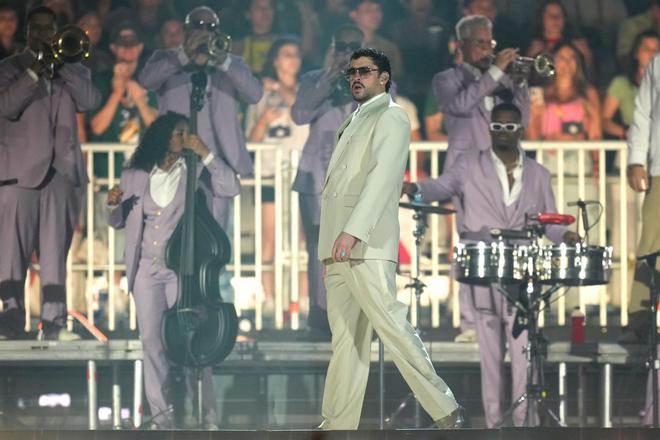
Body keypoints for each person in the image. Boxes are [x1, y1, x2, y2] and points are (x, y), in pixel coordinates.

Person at [403, 102, 579, 427]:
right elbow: (441, 186)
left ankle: (525, 424)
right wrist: (415, 188)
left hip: (523, 269)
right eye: (497, 126)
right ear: (490, 128)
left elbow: (549, 223)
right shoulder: (468, 164)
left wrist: (566, 236)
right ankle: (495, 424)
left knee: (524, 349)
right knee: (490, 354)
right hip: (483, 268)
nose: (503, 132)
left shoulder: (538, 174)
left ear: (521, 130)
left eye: (510, 127)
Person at [317, 47, 462, 430]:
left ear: (384, 78)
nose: (356, 77)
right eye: (351, 72)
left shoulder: (392, 116)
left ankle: (445, 407)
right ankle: (337, 424)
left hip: (363, 243)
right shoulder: (354, 118)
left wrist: (351, 232)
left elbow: (382, 179)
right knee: (346, 340)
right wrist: (330, 245)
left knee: (392, 326)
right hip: (339, 245)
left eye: (364, 71)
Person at [106, 112, 240, 429]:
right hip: (145, 270)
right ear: (163, 136)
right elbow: (118, 222)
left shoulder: (194, 170)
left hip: (181, 269)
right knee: (152, 342)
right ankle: (161, 417)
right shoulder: (134, 174)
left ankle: (207, 415)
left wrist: (206, 153)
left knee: (191, 338)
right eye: (180, 132)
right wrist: (111, 205)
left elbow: (231, 186)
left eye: (187, 133)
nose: (185, 137)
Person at [0, 6, 101, 340]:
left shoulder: (73, 67)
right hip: (18, 174)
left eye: (49, 28)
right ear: (26, 33)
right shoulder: (9, 68)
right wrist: (34, 72)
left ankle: (54, 323)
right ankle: (11, 320)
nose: (43, 33)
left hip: (62, 173)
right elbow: (5, 106)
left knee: (56, 252)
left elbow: (90, 101)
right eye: (37, 28)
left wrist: (64, 66)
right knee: (12, 254)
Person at [432, 13, 529, 342]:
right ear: (461, 45)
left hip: (504, 168)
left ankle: (508, 319)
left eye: (490, 42)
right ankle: (470, 324)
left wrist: (519, 83)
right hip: (467, 171)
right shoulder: (447, 78)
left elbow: (524, 120)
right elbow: (461, 105)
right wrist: (496, 72)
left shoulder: (503, 81)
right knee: (472, 245)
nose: (488, 49)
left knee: (511, 243)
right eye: (481, 43)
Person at [139, 5, 262, 229]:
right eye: (198, 25)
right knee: (173, 228)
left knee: (215, 230)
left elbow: (255, 94)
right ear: (185, 30)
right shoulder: (166, 59)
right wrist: (184, 55)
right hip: (176, 158)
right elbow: (147, 81)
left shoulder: (231, 64)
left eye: (211, 27)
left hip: (217, 161)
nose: (205, 31)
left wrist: (224, 61)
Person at [291, 24, 364, 333]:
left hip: (357, 176)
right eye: (341, 46)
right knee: (319, 246)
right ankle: (320, 312)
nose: (347, 52)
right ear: (332, 48)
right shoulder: (313, 79)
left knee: (357, 245)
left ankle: (354, 312)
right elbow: (299, 114)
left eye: (353, 45)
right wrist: (331, 78)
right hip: (317, 177)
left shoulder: (378, 80)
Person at [245, 35, 309, 310]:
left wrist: (282, 89)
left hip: (301, 171)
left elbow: (303, 113)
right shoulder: (259, 94)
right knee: (268, 237)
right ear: (275, 60)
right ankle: (269, 299)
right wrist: (264, 119)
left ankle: (302, 298)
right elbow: (251, 140)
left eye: (296, 54)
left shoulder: (308, 89)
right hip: (269, 171)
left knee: (302, 237)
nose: (292, 59)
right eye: (286, 54)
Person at [626, 51, 660, 426]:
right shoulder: (657, 63)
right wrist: (637, 158)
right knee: (651, 241)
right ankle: (641, 315)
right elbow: (643, 113)